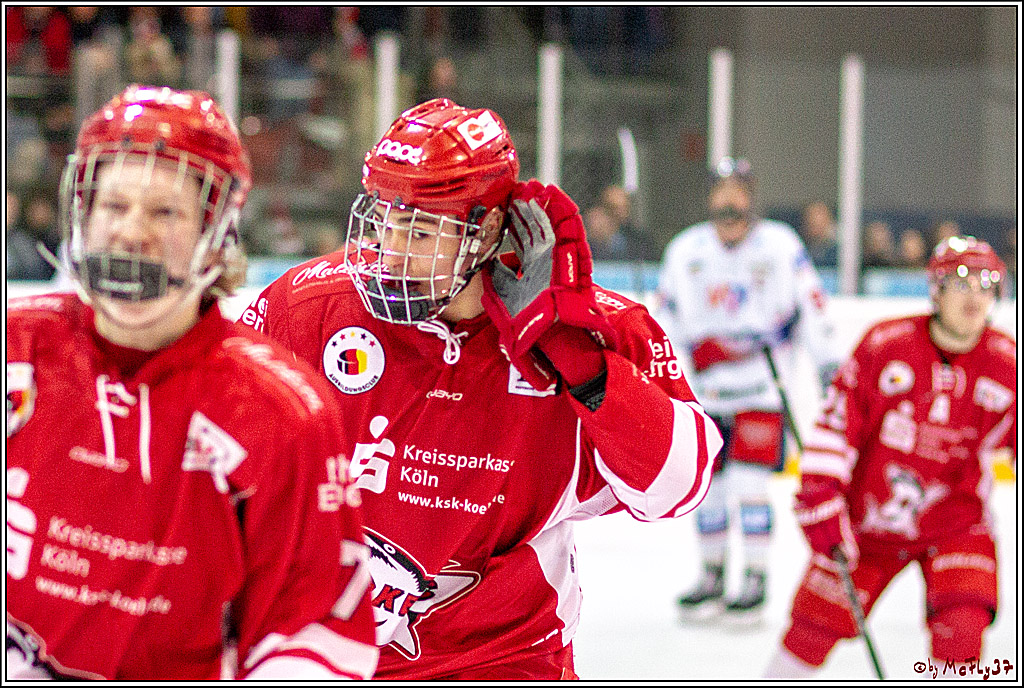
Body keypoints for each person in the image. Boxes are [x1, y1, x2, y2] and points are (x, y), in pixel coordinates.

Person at [236, 97, 723, 680]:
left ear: (487, 227)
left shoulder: (597, 329)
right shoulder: (309, 310)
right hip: (331, 659)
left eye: (418, 230)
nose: (390, 252)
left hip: (507, 661)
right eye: (383, 219)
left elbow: (680, 487)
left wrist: (589, 369)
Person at [5, 85, 378, 680]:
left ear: (217, 230)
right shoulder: (14, 353)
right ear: (83, 209)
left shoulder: (282, 414)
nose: (132, 232)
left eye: (164, 212)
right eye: (115, 206)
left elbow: (313, 634)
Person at [764, 236, 1016, 678]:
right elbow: (837, 424)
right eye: (960, 279)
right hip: (869, 524)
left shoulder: (1005, 362)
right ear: (934, 289)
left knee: (962, 628)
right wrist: (821, 495)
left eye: (987, 281)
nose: (975, 292)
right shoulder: (886, 345)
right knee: (811, 630)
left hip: (957, 522)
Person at [657, 157, 841, 624]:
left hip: (762, 387)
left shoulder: (780, 246)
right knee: (708, 489)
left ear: (751, 197)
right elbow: (666, 319)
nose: (729, 200)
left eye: (738, 190)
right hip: (705, 392)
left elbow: (811, 305)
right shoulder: (686, 251)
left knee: (749, 484)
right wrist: (664, 375)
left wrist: (827, 364)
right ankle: (713, 574)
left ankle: (755, 577)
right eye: (721, 191)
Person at [799, 200, 838, 268]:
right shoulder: (802, 248)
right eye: (811, 224)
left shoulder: (839, 250)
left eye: (819, 224)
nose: (816, 230)